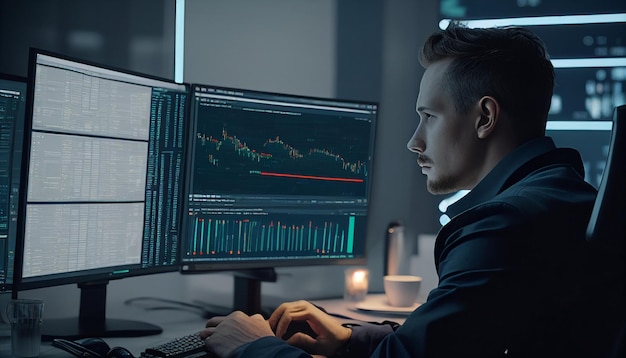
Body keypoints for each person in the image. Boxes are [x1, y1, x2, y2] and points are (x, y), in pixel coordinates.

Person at [199, 22, 623, 358]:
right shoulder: (561, 198)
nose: (414, 141)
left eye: (429, 116)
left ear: (485, 117)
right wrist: (349, 338)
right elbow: (457, 340)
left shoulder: (506, 224)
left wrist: (253, 346)